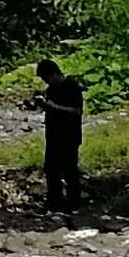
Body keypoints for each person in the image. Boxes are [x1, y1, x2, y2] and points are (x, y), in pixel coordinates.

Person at [33, 58, 87, 215]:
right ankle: (54, 202)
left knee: (70, 170)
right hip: (53, 134)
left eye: (46, 78)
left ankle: (73, 203)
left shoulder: (72, 88)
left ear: (53, 74)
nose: (46, 81)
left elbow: (76, 111)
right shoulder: (51, 89)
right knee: (51, 169)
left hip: (69, 135)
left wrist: (53, 106)